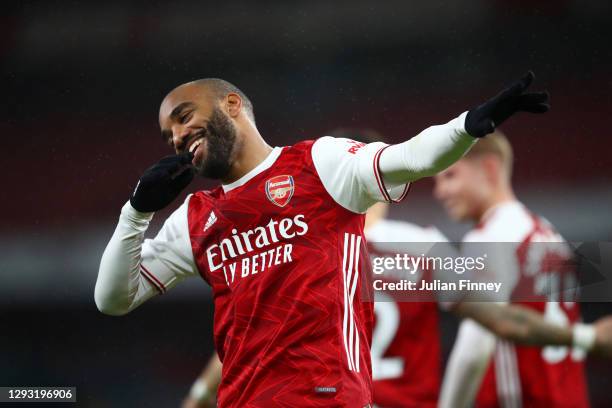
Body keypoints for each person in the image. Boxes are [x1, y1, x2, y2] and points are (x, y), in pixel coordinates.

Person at [94, 72, 559, 407]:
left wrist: (468, 124)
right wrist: (136, 211)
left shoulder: (319, 165)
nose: (175, 136)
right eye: (167, 133)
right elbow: (112, 300)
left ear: (232, 104)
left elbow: (410, 157)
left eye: (183, 116)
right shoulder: (194, 218)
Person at [435, 132, 592, 407]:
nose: (440, 192)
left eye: (450, 176)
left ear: (490, 169)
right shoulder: (548, 233)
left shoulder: (487, 238)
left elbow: (476, 344)